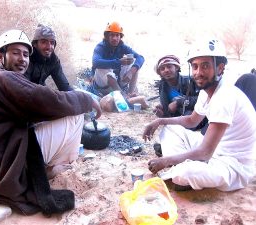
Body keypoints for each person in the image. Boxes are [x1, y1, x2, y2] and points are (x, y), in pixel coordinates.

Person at [0, 29, 101, 223]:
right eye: (15, 53)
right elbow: (48, 100)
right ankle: (51, 167)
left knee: (58, 113)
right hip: (1, 166)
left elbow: (46, 98)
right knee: (75, 116)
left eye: (25, 54)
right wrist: (87, 99)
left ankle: (48, 167)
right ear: (1, 56)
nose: (22, 59)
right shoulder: (3, 78)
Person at [143, 38, 256, 192]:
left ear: (220, 68)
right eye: (195, 67)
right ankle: (182, 165)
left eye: (205, 66)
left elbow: (205, 152)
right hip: (214, 149)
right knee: (169, 129)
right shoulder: (206, 92)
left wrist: (166, 161)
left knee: (186, 173)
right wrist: (160, 121)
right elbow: (191, 120)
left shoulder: (225, 96)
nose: (198, 72)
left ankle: (181, 169)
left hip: (233, 164)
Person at [89, 21, 145, 98]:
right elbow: (95, 62)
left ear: (120, 36)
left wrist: (131, 72)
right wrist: (119, 62)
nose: (115, 38)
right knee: (105, 69)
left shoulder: (122, 46)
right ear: (107, 36)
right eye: (112, 35)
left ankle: (130, 93)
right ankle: (123, 96)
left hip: (117, 82)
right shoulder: (100, 47)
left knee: (135, 64)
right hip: (103, 85)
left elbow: (140, 58)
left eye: (117, 35)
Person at [153, 54, 208, 132]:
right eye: (162, 69)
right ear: (160, 73)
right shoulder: (163, 86)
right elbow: (168, 110)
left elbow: (204, 100)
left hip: (195, 116)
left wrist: (179, 102)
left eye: (169, 66)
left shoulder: (190, 81)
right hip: (179, 116)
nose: (166, 70)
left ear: (176, 67)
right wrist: (162, 113)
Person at [24, 24, 73, 91]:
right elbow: (24, 86)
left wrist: (77, 98)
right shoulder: (26, 58)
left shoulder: (54, 61)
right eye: (44, 42)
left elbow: (64, 87)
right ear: (35, 44)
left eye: (52, 43)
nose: (49, 47)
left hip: (40, 89)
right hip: (23, 90)